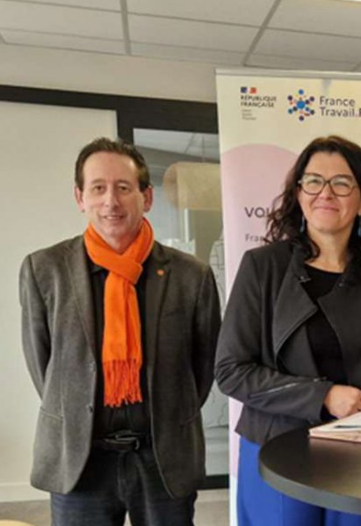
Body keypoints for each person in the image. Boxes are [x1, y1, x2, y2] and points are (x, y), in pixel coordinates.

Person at [20, 137, 221, 526]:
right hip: (80, 458)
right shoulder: (44, 269)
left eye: (123, 187)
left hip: (162, 457)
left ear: (147, 197)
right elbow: (43, 364)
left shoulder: (190, 276)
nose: (110, 201)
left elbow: (203, 365)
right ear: (80, 197)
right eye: (98, 188)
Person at [215, 135, 361, 526]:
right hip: (277, 447)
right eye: (313, 181)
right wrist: (324, 396)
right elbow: (231, 371)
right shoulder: (263, 267)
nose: (326, 193)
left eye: (341, 183)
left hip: (359, 451)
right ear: (299, 194)